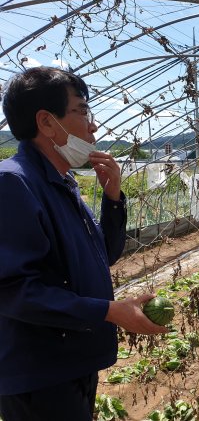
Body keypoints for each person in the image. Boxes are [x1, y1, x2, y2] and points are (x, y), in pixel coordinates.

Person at [0, 66, 167, 421]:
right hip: (40, 373)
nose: (93, 125)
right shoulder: (13, 185)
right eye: (82, 111)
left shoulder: (62, 183)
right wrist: (108, 311)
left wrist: (113, 198)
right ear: (47, 123)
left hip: (71, 358)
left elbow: (103, 253)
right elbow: (12, 290)